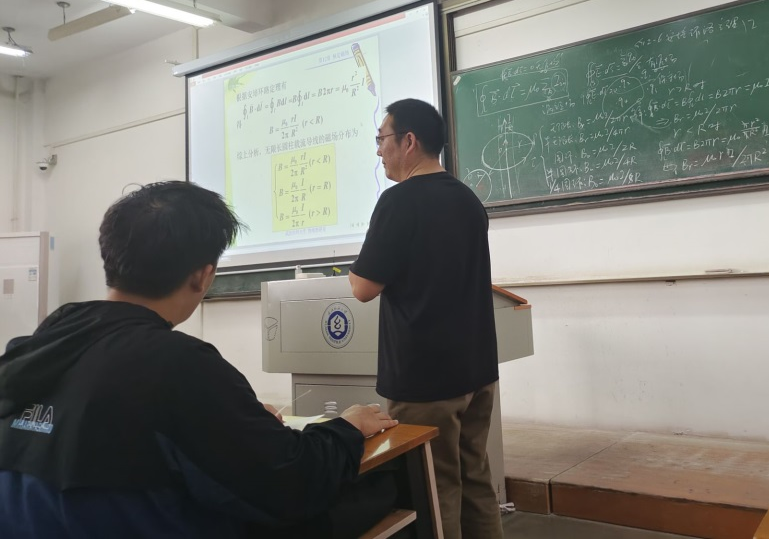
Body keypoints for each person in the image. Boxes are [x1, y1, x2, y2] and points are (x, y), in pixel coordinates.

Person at [0, 180, 398, 538]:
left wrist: (235, 416)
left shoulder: (41, 342)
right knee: (381, 490)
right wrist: (346, 427)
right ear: (203, 276)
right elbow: (291, 483)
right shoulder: (179, 364)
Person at [348, 98, 502, 539]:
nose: (378, 150)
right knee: (475, 477)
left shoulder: (399, 201)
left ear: (409, 141)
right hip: (477, 370)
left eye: (382, 138)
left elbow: (362, 288)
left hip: (426, 378)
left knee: (436, 488)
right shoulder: (468, 199)